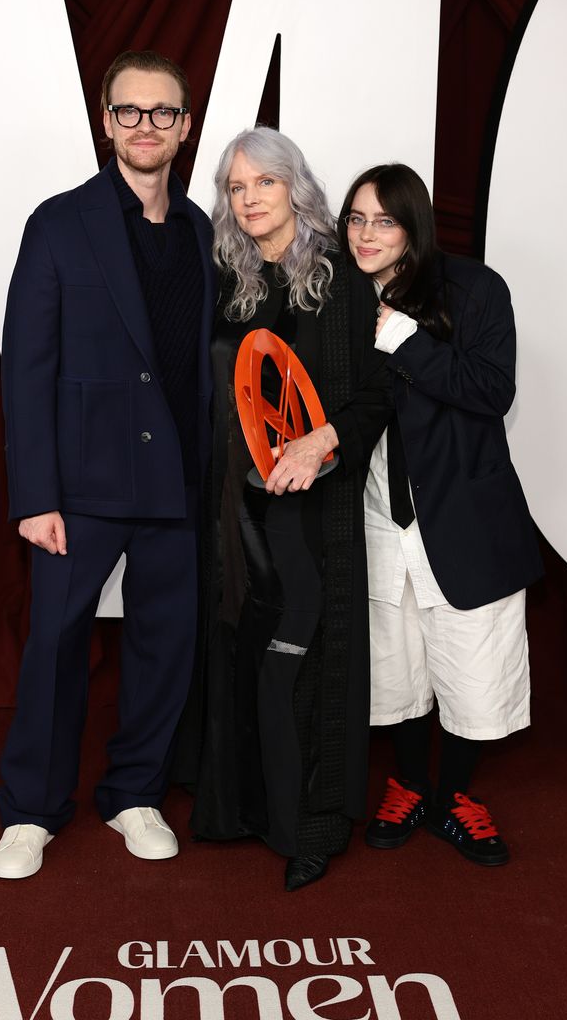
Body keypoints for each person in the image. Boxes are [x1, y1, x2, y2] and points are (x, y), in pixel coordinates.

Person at [0, 50, 215, 879]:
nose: (146, 126)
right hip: (79, 488)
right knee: (54, 643)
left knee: (165, 645)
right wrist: (34, 494)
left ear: (184, 126)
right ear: (106, 120)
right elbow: (27, 366)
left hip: (177, 482)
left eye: (163, 113)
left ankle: (133, 793)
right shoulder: (58, 222)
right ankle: (30, 812)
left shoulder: (198, 229)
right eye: (130, 112)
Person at [190, 128, 392, 890]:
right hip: (236, 514)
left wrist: (321, 443)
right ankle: (244, 808)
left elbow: (375, 394)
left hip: (311, 510)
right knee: (245, 656)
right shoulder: (231, 275)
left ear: (294, 186)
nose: (248, 200)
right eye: (236, 188)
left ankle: (310, 826)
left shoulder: (337, 275)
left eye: (262, 184)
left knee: (301, 669)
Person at [338, 163, 543, 865]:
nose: (366, 234)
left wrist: (405, 340)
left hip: (461, 513)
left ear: (413, 224)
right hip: (372, 512)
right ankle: (408, 783)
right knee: (394, 665)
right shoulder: (337, 296)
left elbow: (491, 389)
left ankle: (455, 794)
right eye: (356, 219)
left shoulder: (474, 288)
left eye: (383, 220)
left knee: (472, 664)